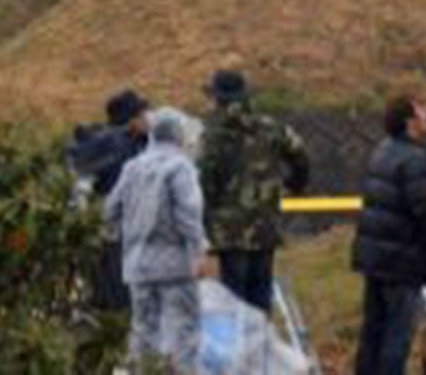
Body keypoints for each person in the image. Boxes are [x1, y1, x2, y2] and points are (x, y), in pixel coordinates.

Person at [351, 93, 426, 375]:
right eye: (422, 110)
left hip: (374, 257)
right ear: (410, 121)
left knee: (372, 333)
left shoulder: (382, 150)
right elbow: (422, 209)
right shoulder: (415, 158)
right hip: (401, 260)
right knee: (397, 335)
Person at [199, 68, 311, 316]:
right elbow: (300, 156)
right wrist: (295, 185)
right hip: (265, 227)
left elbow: (204, 182)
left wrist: (206, 223)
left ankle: (240, 354)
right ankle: (262, 351)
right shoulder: (271, 128)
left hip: (229, 234)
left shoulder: (212, 136)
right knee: (261, 299)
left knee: (234, 304)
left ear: (218, 98)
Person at [106, 108, 209, 373]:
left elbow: (111, 210)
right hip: (175, 265)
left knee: (142, 330)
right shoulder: (180, 167)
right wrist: (197, 252)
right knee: (184, 329)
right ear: (179, 137)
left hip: (137, 265)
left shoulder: (131, 167)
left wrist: (124, 239)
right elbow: (189, 213)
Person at [68, 87, 152, 312]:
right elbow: (85, 181)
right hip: (115, 225)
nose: (148, 118)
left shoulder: (140, 141)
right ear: (130, 119)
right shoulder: (112, 144)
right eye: (142, 114)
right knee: (117, 285)